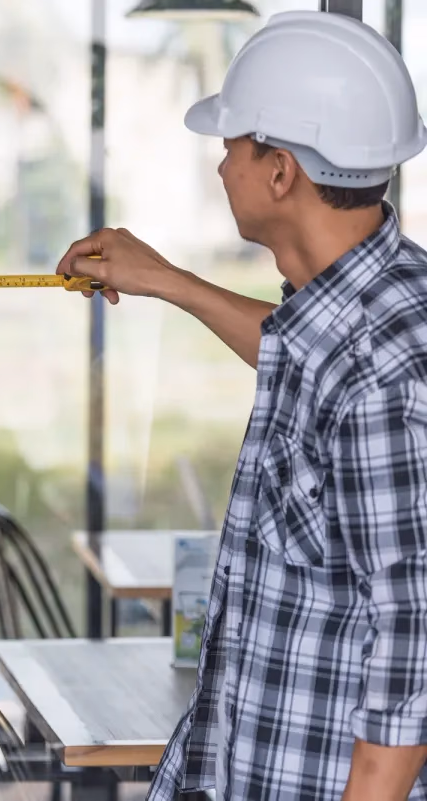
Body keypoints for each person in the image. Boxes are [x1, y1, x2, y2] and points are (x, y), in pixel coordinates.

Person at [56, 11, 427, 801]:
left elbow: (414, 652)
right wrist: (171, 281)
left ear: (281, 172)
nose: (221, 167)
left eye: (231, 145)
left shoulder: (386, 379)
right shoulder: (371, 307)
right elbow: (303, 351)